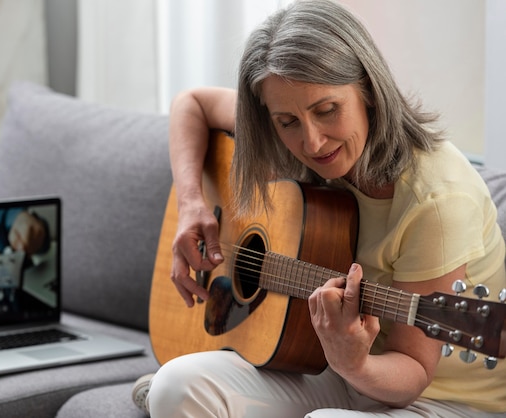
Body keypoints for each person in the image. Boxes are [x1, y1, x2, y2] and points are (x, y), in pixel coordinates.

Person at [138, 0, 506, 416]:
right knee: (175, 385)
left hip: (445, 400)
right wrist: (191, 204)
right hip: (338, 369)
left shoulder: (437, 202)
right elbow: (192, 104)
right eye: (287, 122)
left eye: (327, 111)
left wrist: (355, 362)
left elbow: (414, 371)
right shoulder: (283, 124)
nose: (311, 142)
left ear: (368, 89)